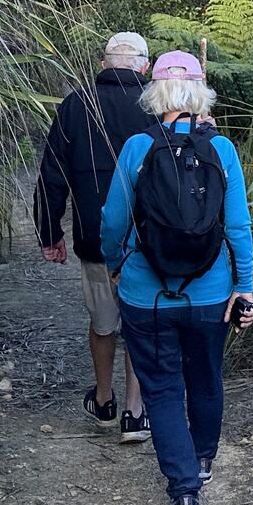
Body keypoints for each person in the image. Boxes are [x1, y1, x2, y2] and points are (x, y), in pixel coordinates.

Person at [101, 50, 253, 505]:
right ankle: (203, 459)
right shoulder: (222, 149)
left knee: (162, 389)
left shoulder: (137, 147)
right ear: (200, 91)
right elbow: (238, 228)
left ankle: (185, 493)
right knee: (206, 377)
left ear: (156, 93)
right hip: (210, 294)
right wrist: (244, 288)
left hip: (146, 295)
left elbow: (112, 221)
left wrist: (115, 266)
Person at [33, 31, 156, 441]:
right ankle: (135, 414)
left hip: (94, 238)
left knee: (103, 323)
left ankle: (104, 401)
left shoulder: (76, 104)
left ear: (104, 65)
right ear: (145, 66)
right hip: (149, 243)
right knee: (141, 323)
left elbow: (52, 173)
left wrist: (50, 232)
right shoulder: (157, 106)